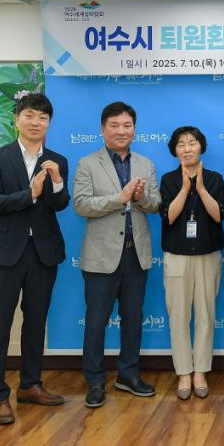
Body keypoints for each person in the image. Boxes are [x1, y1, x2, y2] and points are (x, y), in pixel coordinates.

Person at [0, 93, 69, 425]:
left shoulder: (57, 159)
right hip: (5, 253)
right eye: (30, 115)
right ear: (17, 119)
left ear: (49, 123)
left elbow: (60, 204)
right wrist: (29, 194)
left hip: (43, 252)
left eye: (43, 118)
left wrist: (57, 182)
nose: (36, 122)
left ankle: (30, 384)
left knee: (35, 321)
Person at [73, 101, 161, 408]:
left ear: (134, 129)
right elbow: (81, 205)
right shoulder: (87, 163)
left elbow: (155, 205)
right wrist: (119, 198)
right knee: (96, 322)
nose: (121, 131)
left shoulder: (145, 164)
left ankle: (128, 375)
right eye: (115, 125)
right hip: (101, 257)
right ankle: (95, 381)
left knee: (133, 320)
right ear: (103, 129)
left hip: (136, 255)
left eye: (127, 125)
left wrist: (141, 197)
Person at [159, 126, 224, 400]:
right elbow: (169, 216)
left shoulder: (214, 179)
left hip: (208, 255)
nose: (187, 148)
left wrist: (199, 188)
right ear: (174, 150)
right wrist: (185, 189)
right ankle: (184, 373)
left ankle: (200, 371)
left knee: (205, 315)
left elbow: (218, 215)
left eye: (192, 142)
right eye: (181, 144)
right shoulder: (168, 179)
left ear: (201, 146)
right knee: (178, 317)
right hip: (176, 256)